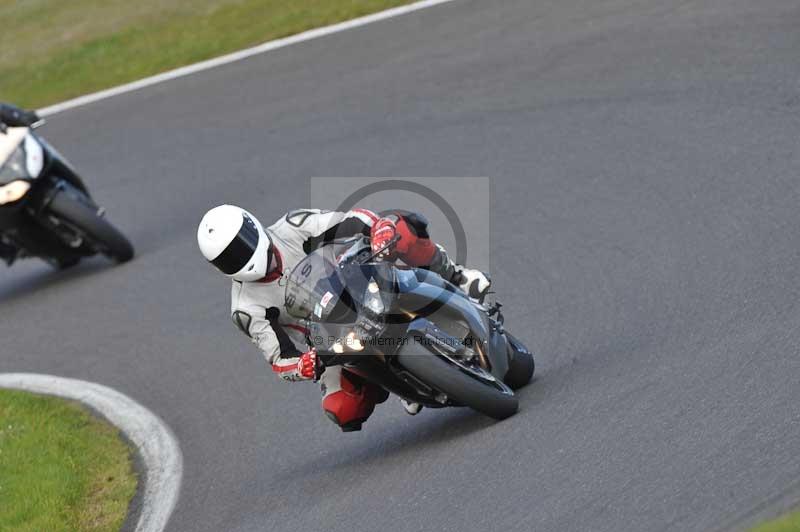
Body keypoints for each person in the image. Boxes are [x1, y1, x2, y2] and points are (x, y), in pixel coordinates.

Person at [197, 206, 490, 431]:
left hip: (359, 283)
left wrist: (379, 228)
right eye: (229, 257)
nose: (241, 255)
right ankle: (398, 381)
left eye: (242, 243)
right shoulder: (246, 308)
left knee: (402, 226)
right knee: (342, 410)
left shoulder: (292, 226)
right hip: (330, 340)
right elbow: (278, 359)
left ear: (254, 225)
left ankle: (458, 276)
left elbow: (353, 219)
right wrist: (302, 364)